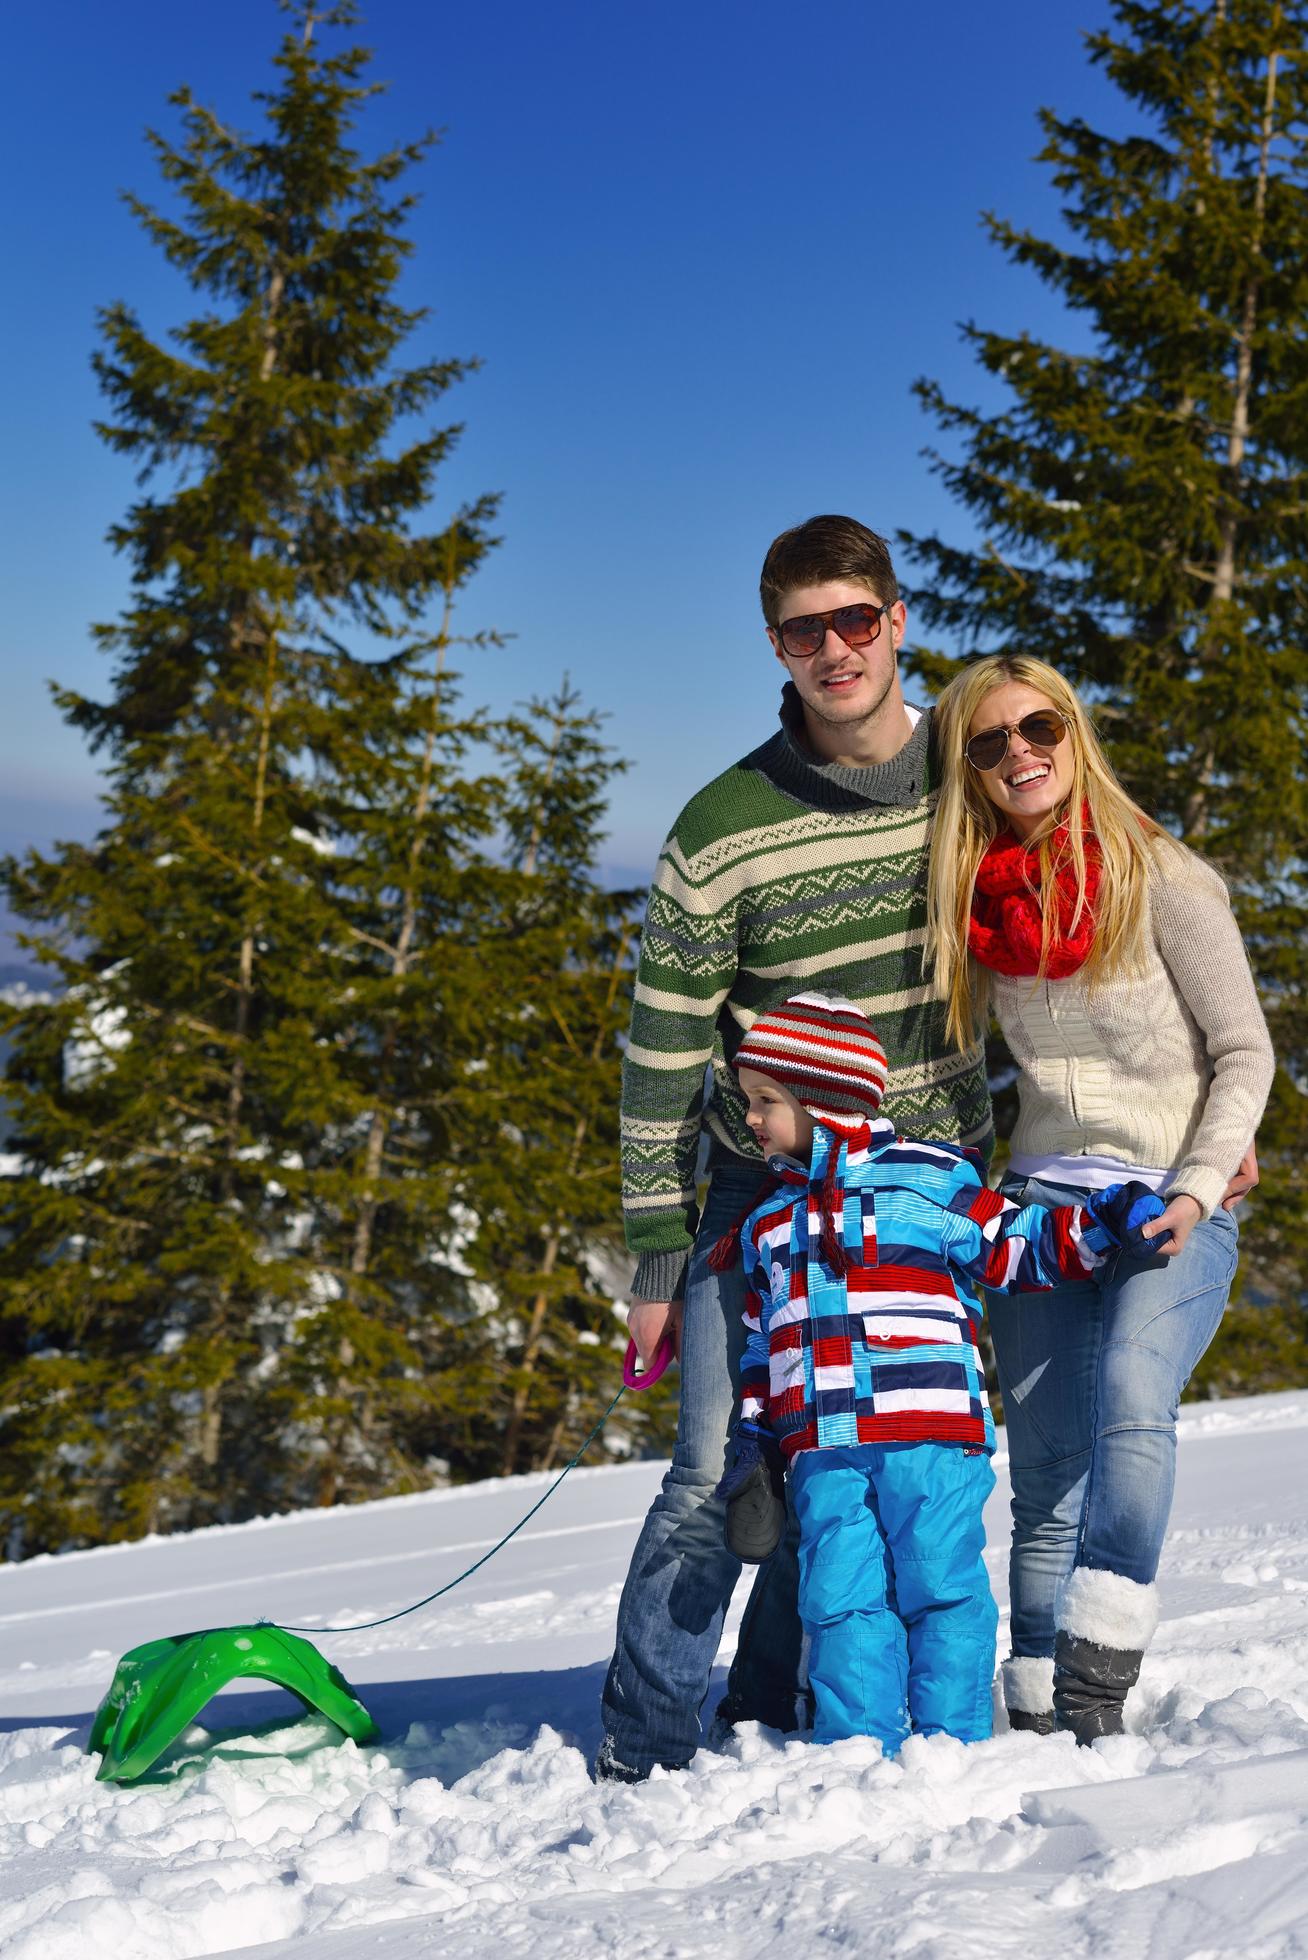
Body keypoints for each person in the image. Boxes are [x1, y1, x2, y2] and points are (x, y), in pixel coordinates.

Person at [596, 516, 993, 1783]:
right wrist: (659, 1269)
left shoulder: (971, 771)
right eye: (805, 629)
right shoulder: (722, 828)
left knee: (872, 1462)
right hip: (759, 1188)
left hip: (926, 1190)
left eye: (855, 622)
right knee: (717, 1465)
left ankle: (773, 1705)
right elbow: (661, 1055)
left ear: (898, 619)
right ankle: (646, 1748)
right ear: (776, 642)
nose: (835, 650)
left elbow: (1090, 910)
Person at [928, 653, 1275, 1744]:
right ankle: (1034, 1710)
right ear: (969, 769)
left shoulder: (1161, 875)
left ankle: (1094, 1683)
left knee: (1132, 1388)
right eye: (990, 743)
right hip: (1041, 1211)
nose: (1019, 753)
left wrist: (1201, 1181)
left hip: (1173, 1197)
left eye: (1039, 728)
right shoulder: (975, 903)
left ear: (1073, 734)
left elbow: (1244, 1052)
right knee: (1043, 1468)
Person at [713, 993, 1168, 1754]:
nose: (752, 1118)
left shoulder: (928, 1180)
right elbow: (764, 1340)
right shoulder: (768, 1223)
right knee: (838, 1598)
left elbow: (1012, 1244)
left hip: (929, 1435)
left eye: (765, 1100)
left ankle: (951, 1746)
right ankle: (857, 1746)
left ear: (822, 1099)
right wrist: (755, 1432)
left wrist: (1099, 1223)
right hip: (822, 1444)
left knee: (941, 1587)